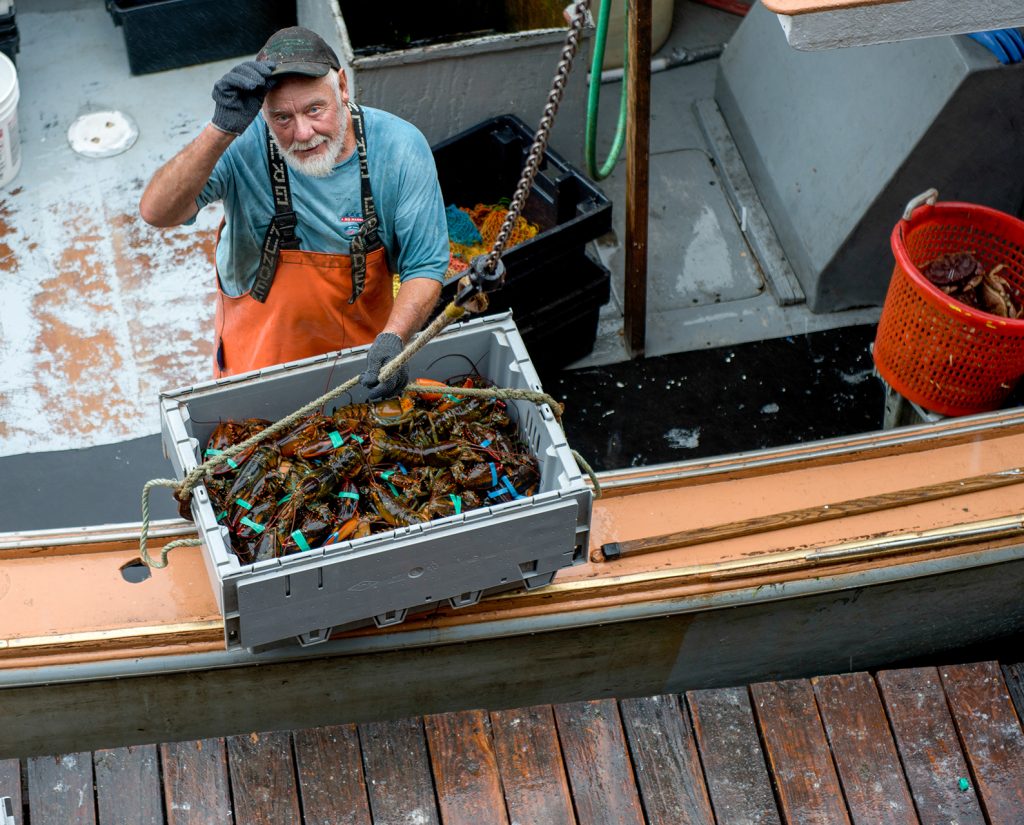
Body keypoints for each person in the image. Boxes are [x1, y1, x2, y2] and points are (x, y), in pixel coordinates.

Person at [139, 26, 448, 398]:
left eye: (315, 109)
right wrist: (220, 129)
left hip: (366, 359)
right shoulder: (242, 140)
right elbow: (157, 212)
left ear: (344, 88)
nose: (303, 133)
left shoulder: (400, 148)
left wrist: (393, 341)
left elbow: (425, 266)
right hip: (258, 362)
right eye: (282, 118)